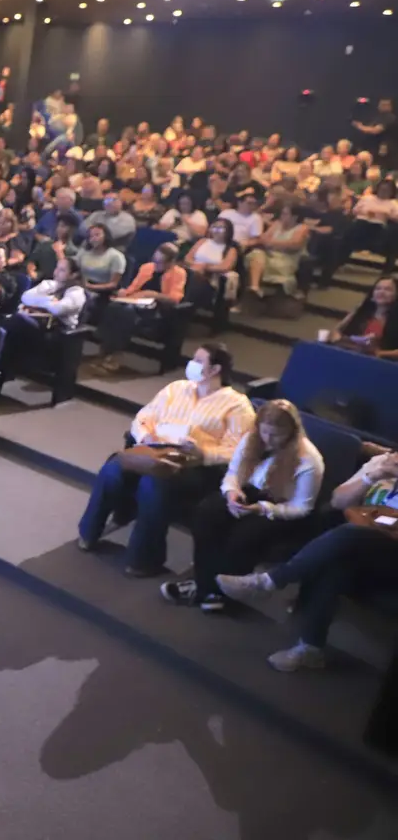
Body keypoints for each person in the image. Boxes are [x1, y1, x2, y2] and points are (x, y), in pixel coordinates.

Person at [77, 344, 254, 576]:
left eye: (199, 361)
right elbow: (143, 417)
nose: (192, 364)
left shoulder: (237, 405)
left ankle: (142, 559)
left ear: (216, 369)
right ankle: (89, 533)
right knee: (113, 469)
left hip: (195, 465)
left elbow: (238, 450)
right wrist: (146, 435)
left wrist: (203, 453)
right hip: (152, 451)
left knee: (153, 485)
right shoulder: (176, 388)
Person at [217, 449, 398, 671]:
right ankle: (311, 649)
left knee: (348, 534)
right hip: (362, 547)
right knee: (335, 564)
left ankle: (269, 581)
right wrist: (374, 476)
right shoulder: (382, 463)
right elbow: (338, 501)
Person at [160, 401, 323, 612]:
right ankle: (207, 586)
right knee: (206, 513)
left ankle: (211, 590)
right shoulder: (251, 439)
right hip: (249, 493)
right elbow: (233, 474)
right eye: (264, 432)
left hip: (281, 508)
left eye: (276, 435)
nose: (268, 440)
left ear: (292, 432)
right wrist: (231, 493)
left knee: (244, 534)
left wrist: (262, 509)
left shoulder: (309, 460)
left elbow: (302, 508)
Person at [93, 241, 188, 372]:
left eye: (160, 263)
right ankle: (106, 350)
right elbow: (133, 287)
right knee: (114, 306)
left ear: (170, 262)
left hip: (157, 310)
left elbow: (174, 298)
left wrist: (154, 295)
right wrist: (123, 292)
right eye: (155, 261)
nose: (156, 265)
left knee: (126, 312)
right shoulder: (147, 267)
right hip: (136, 302)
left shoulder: (179, 273)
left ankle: (114, 355)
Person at [328, 276, 398, 358]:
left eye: (387, 289)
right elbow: (336, 332)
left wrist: (380, 353)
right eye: (378, 289)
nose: (381, 292)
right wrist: (340, 339)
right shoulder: (361, 311)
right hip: (350, 354)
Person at [184, 218, 241, 305]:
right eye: (214, 227)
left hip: (211, 279)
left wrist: (205, 267)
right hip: (192, 271)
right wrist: (199, 266)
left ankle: (187, 303)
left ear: (228, 231)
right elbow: (188, 258)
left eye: (221, 228)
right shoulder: (202, 241)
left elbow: (225, 267)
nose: (217, 231)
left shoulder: (231, 249)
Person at [78, 222, 128, 299]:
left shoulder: (116, 256)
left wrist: (90, 286)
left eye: (97, 235)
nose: (93, 238)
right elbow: (73, 268)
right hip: (81, 289)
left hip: (102, 293)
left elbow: (113, 284)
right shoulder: (83, 252)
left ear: (106, 236)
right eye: (91, 236)